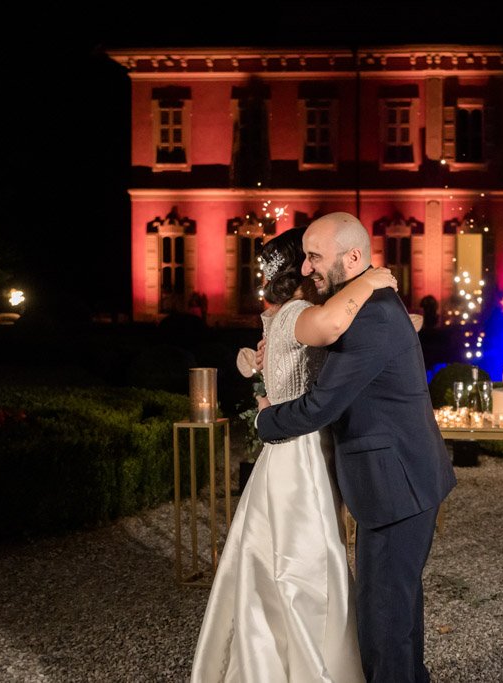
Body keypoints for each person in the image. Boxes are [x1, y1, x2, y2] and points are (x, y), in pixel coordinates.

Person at [256, 212, 457, 683]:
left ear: (352, 258)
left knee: (382, 626)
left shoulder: (373, 316)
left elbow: (322, 405)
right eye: (304, 258)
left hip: (397, 487)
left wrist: (266, 419)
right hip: (397, 482)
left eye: (314, 257)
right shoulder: (365, 305)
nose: (306, 269)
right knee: (395, 615)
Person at [191, 227, 398, 682]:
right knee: (303, 566)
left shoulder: (276, 315)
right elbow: (329, 326)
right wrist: (370, 280)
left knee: (275, 560)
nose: (312, 266)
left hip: (287, 448)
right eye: (306, 258)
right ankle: (308, 665)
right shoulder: (302, 313)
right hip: (300, 452)